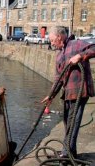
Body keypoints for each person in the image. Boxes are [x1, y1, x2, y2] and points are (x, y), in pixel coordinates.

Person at [41, 26, 95, 158]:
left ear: (59, 36)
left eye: (53, 40)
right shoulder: (59, 55)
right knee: (67, 121)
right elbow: (58, 78)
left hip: (80, 90)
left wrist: (80, 56)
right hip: (68, 93)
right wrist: (51, 95)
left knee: (73, 121)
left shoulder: (76, 44)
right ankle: (70, 151)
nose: (52, 43)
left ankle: (67, 153)